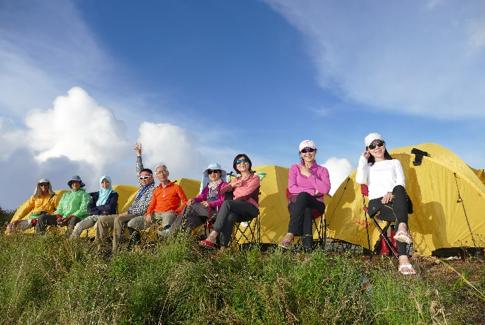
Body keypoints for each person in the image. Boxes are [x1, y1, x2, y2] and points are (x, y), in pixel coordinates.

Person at [355, 133, 416, 275]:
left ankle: (402, 235)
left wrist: (391, 193)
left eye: (379, 143)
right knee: (400, 213)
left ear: (384, 144)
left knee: (399, 189)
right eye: (372, 146)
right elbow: (359, 179)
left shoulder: (395, 163)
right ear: (368, 150)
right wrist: (362, 159)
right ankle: (403, 253)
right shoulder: (368, 167)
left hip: (395, 198)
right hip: (377, 203)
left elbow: (400, 182)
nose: (377, 147)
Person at [95, 143, 156, 254]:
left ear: (152, 178)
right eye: (141, 178)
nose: (142, 179)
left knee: (119, 219)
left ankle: (115, 251)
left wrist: (128, 212)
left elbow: (144, 208)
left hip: (137, 214)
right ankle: (101, 248)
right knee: (101, 220)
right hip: (129, 212)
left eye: (146, 177)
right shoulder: (143, 187)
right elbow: (139, 171)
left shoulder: (153, 190)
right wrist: (138, 156)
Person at [199, 154, 260, 250]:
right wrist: (232, 185)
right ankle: (223, 250)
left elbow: (246, 194)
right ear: (236, 166)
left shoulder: (254, 178)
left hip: (250, 208)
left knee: (227, 204)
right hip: (237, 209)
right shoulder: (235, 179)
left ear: (249, 163)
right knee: (230, 216)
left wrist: (232, 202)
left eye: (245, 160)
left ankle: (213, 235)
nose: (242, 163)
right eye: (238, 162)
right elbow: (221, 192)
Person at [279, 140, 331, 251]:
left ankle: (290, 233)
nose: (307, 153)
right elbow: (292, 188)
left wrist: (308, 175)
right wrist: (313, 191)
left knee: (303, 195)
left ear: (315, 151)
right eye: (304, 150)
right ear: (300, 153)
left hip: (316, 204)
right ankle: (308, 251)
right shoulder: (295, 168)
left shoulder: (322, 170)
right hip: (297, 204)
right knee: (306, 210)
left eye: (310, 150)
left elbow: (325, 189)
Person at [160, 163, 228, 236]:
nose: (212, 174)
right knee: (190, 220)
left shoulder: (224, 185)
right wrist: (193, 199)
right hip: (205, 212)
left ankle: (171, 230)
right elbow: (201, 197)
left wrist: (211, 204)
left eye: (215, 171)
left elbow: (224, 200)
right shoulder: (209, 186)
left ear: (220, 173)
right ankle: (179, 240)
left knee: (193, 206)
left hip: (216, 213)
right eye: (210, 172)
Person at [127, 164, 188, 241]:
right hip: (155, 215)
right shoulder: (156, 190)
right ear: (156, 176)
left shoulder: (176, 187)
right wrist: (148, 213)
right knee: (132, 223)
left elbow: (186, 202)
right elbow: (152, 205)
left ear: (168, 173)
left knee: (168, 216)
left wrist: (177, 211)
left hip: (168, 214)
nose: (162, 174)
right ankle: (137, 246)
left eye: (163, 171)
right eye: (159, 172)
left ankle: (167, 244)